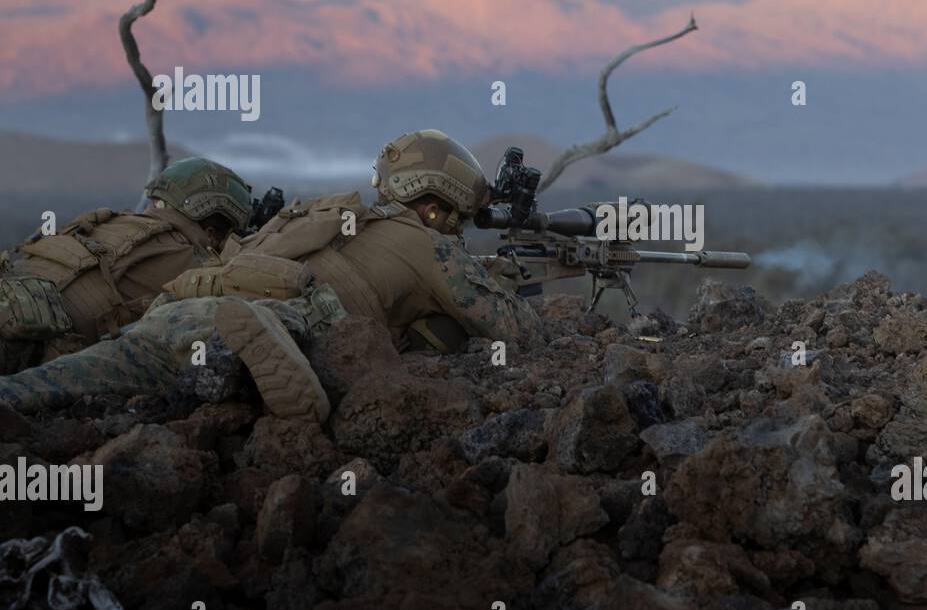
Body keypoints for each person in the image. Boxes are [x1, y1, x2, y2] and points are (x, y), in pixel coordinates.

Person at [0, 131, 541, 421]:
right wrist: (503, 285)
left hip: (181, 311)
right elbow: (517, 332)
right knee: (305, 324)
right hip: (260, 321)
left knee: (61, 382)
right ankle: (273, 352)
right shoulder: (432, 250)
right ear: (439, 205)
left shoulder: (320, 214)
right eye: (460, 220)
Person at [0, 157, 252, 374]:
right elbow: (246, 283)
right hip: (21, 348)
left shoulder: (105, 222)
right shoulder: (184, 257)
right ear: (211, 234)